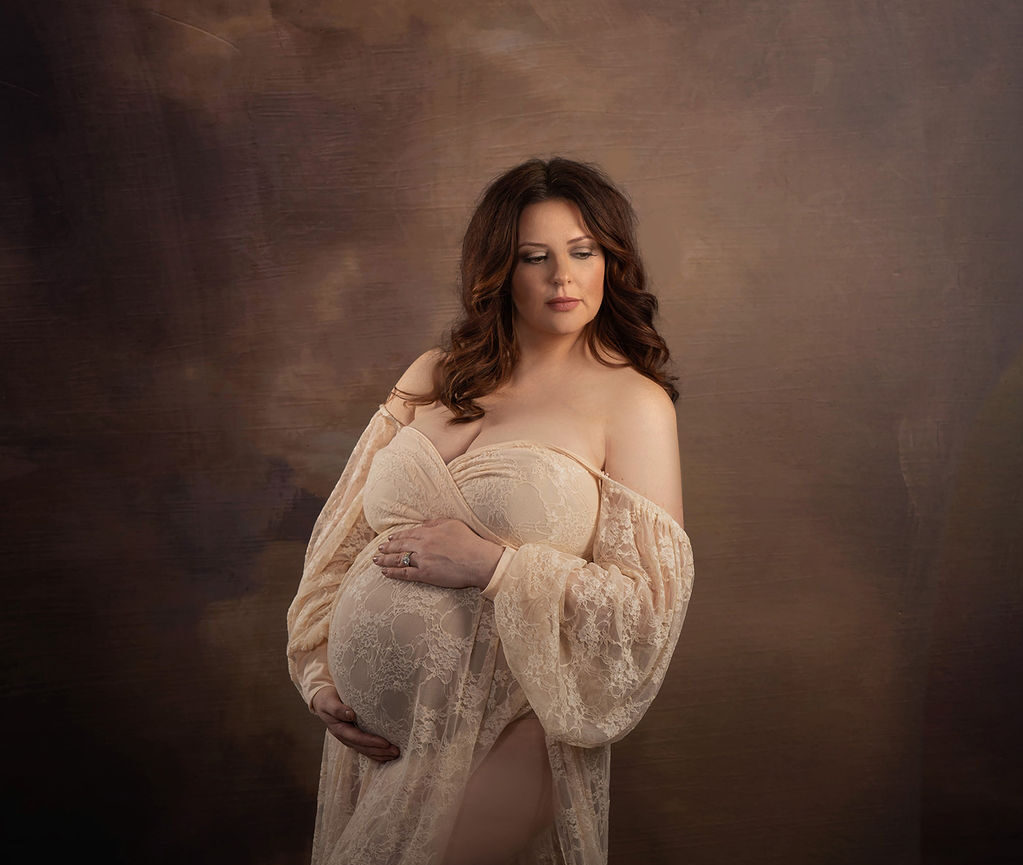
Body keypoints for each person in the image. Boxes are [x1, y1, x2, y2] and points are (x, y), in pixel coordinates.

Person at [286, 156, 695, 865]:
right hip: (379, 746)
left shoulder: (633, 405)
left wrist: (495, 565)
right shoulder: (429, 375)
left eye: (582, 251)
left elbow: (644, 612)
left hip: (508, 736)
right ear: (499, 271)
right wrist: (321, 679)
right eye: (534, 257)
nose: (561, 276)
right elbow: (337, 546)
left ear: (611, 260)